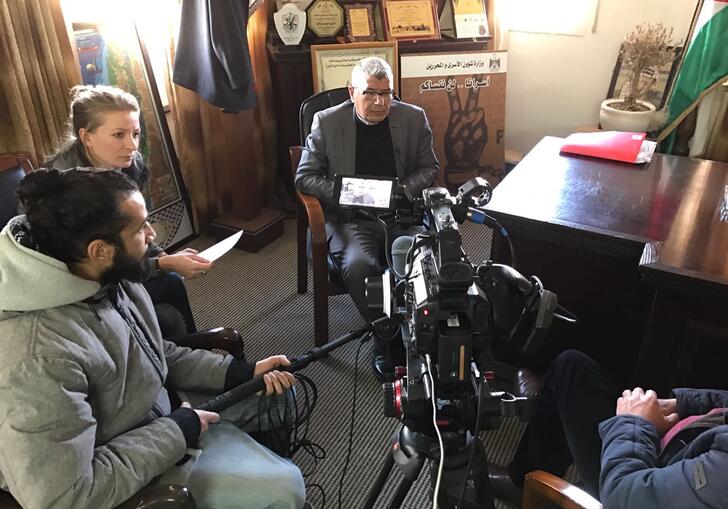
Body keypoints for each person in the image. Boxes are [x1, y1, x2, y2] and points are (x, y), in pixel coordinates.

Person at [0, 168, 305, 509]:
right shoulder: (36, 356)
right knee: (286, 489)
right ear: (99, 249)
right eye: (140, 227)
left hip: (155, 414)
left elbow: (151, 352)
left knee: (277, 394)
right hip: (117, 467)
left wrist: (240, 372)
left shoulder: (107, 275)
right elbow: (63, 497)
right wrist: (177, 431)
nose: (152, 233)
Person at [295, 57, 439, 380]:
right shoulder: (327, 122)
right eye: (370, 94)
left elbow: (430, 168)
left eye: (387, 93)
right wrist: (343, 192)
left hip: (399, 214)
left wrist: (404, 189)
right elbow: (304, 177)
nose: (380, 102)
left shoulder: (413, 118)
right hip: (351, 218)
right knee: (361, 265)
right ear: (352, 91)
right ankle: (385, 338)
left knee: (420, 262)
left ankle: (417, 333)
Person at [45, 84, 209, 338]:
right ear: (86, 136)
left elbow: (135, 226)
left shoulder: (129, 165)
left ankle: (194, 350)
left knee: (172, 288)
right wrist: (162, 264)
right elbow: (97, 264)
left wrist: (160, 254)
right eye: (119, 135)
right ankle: (186, 354)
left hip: (111, 266)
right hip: (80, 289)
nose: (132, 146)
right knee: (169, 301)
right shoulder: (66, 194)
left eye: (136, 134)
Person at [493, 349, 728, 508]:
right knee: (572, 366)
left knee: (566, 379)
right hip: (674, 443)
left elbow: (622, 496)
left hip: (633, 479)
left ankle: (523, 483)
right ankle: (547, 402)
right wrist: (683, 403)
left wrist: (635, 424)